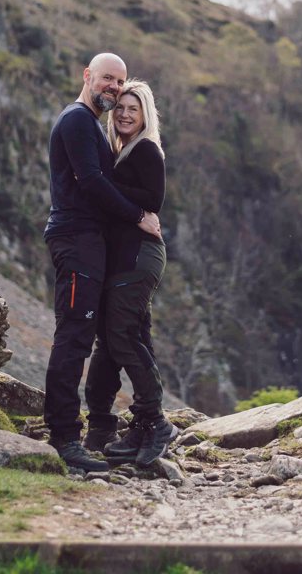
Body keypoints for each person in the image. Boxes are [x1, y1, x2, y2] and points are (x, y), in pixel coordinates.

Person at [43, 53, 161, 472]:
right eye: (108, 79)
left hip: (89, 244)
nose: (113, 87)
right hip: (76, 239)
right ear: (87, 76)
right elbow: (90, 182)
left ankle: (101, 429)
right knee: (74, 335)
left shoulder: (91, 125)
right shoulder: (77, 120)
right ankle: (62, 437)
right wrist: (137, 216)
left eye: (120, 82)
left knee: (98, 336)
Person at [84, 80, 178, 467]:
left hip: (140, 258)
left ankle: (156, 422)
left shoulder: (147, 150)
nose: (124, 114)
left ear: (145, 115)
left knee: (122, 337)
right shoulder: (122, 152)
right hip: (124, 259)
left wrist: (103, 183)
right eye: (120, 107)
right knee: (121, 338)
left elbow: (153, 200)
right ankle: (131, 427)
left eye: (132, 109)